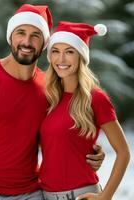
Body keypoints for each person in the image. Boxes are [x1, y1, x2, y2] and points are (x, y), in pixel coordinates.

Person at [0, 4, 105, 200]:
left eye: (36, 35)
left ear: (44, 44)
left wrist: (92, 149)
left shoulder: (50, 88)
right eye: (21, 33)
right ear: (10, 37)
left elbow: (60, 131)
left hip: (33, 192)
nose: (27, 42)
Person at [39, 21, 130, 200]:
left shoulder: (96, 98)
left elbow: (124, 152)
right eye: (55, 51)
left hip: (81, 195)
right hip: (44, 195)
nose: (61, 59)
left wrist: (105, 196)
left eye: (69, 52)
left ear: (81, 57)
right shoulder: (48, 98)